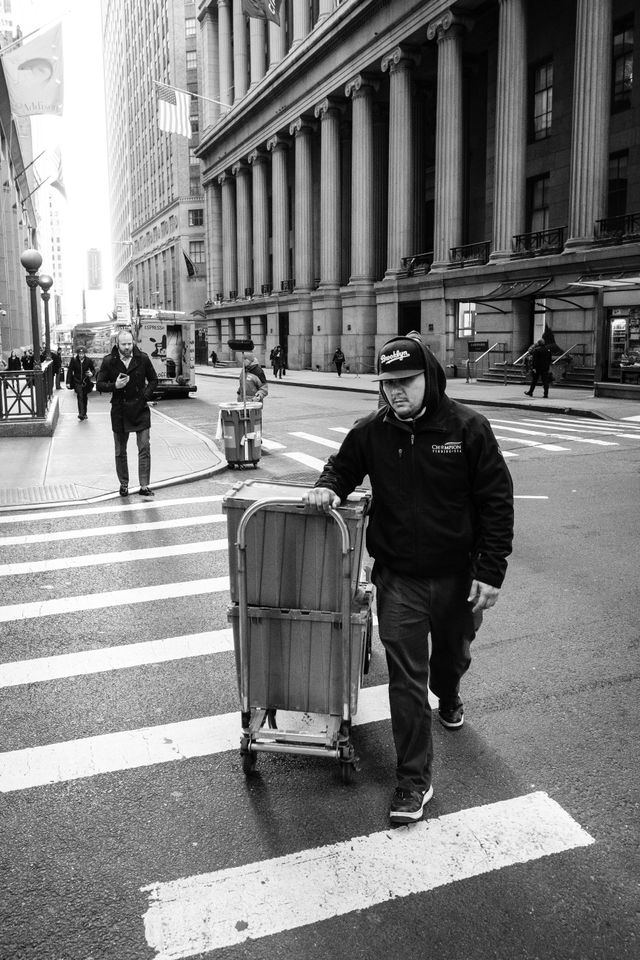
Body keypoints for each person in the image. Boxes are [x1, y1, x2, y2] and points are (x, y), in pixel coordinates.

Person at [305, 334, 514, 824]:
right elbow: (341, 468)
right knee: (406, 678)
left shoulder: (468, 428)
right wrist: (327, 489)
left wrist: (491, 569)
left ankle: (452, 689)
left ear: (429, 377)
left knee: (451, 658)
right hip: (399, 578)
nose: (396, 392)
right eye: (387, 384)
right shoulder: (372, 431)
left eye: (405, 382)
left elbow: (496, 502)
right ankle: (413, 780)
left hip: (458, 577)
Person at [96, 329, 158, 497]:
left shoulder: (143, 358)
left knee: (144, 448)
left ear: (133, 343)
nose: (127, 347)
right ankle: (124, 484)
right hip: (120, 411)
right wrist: (114, 386)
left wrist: (145, 396)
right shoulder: (109, 361)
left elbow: (154, 380)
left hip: (140, 410)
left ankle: (144, 486)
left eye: (130, 344)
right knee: (120, 451)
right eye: (124, 344)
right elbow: (99, 384)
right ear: (118, 344)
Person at [66, 345, 96, 421]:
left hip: (86, 382)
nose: (81, 355)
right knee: (80, 396)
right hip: (77, 381)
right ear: (77, 354)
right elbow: (70, 371)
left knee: (84, 397)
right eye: (79, 354)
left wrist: (91, 373)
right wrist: (68, 382)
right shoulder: (74, 360)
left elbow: (93, 370)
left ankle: (85, 413)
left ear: (84, 354)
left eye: (82, 354)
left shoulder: (88, 360)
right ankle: (81, 414)